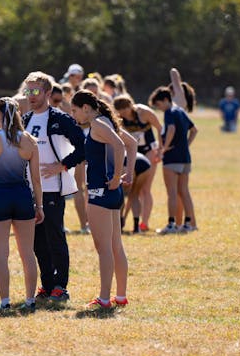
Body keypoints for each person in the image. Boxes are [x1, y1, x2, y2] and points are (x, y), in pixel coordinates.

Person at [21, 71, 86, 303]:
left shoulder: (60, 118)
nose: (31, 96)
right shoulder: (25, 119)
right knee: (37, 241)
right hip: (30, 190)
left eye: (36, 91)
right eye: (28, 91)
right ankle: (47, 284)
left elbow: (83, 145)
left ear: (48, 93)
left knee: (55, 237)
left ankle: (61, 286)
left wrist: (63, 166)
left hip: (53, 189)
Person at [0, 97, 44, 313]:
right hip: (23, 197)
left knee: (1, 254)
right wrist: (39, 206)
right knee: (27, 253)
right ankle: (30, 300)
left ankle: (5, 301)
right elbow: (36, 181)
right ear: (17, 113)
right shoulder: (29, 140)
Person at [69, 90, 133, 309]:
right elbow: (131, 143)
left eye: (75, 110)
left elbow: (121, 145)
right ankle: (120, 296)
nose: (74, 115)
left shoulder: (97, 124)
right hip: (111, 193)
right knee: (115, 246)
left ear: (86, 108)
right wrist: (128, 174)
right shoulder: (105, 121)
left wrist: (117, 177)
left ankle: (104, 299)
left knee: (104, 248)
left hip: (100, 192)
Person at [151, 86, 199, 234]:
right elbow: (194, 130)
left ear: (165, 100)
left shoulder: (169, 112)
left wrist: (164, 148)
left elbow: (170, 129)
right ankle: (189, 224)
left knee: (171, 192)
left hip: (172, 159)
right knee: (184, 191)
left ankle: (171, 225)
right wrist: (186, 145)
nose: (159, 109)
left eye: (159, 105)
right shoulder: (181, 111)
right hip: (185, 158)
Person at [112, 94, 161, 233]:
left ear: (131, 106)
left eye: (126, 111)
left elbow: (159, 127)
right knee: (131, 190)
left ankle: (144, 223)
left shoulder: (143, 112)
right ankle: (125, 220)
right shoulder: (119, 118)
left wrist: (160, 149)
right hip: (132, 152)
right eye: (121, 113)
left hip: (149, 150)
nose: (125, 115)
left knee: (145, 189)